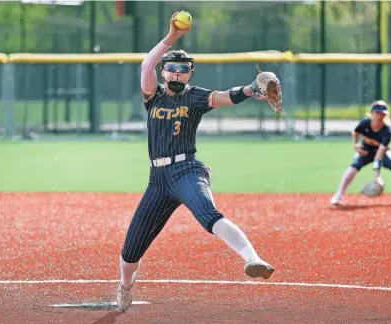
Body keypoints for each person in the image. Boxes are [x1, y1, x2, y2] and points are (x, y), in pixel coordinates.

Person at [116, 12, 280, 311]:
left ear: (190, 74)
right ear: (164, 72)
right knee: (131, 250)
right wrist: (171, 39)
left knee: (208, 214)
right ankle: (125, 288)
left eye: (184, 69)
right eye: (172, 69)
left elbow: (225, 97)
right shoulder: (153, 97)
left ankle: (252, 258)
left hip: (186, 170)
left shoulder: (194, 97)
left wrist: (249, 90)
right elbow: (145, 64)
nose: (177, 73)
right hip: (158, 180)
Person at [330, 100, 391, 206]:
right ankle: (338, 195)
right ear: (372, 113)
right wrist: (356, 146)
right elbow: (355, 133)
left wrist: (377, 177)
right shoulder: (365, 124)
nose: (380, 116)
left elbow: (379, 155)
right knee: (352, 169)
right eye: (377, 113)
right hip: (366, 152)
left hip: (381, 153)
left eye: (382, 114)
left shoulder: (387, 131)